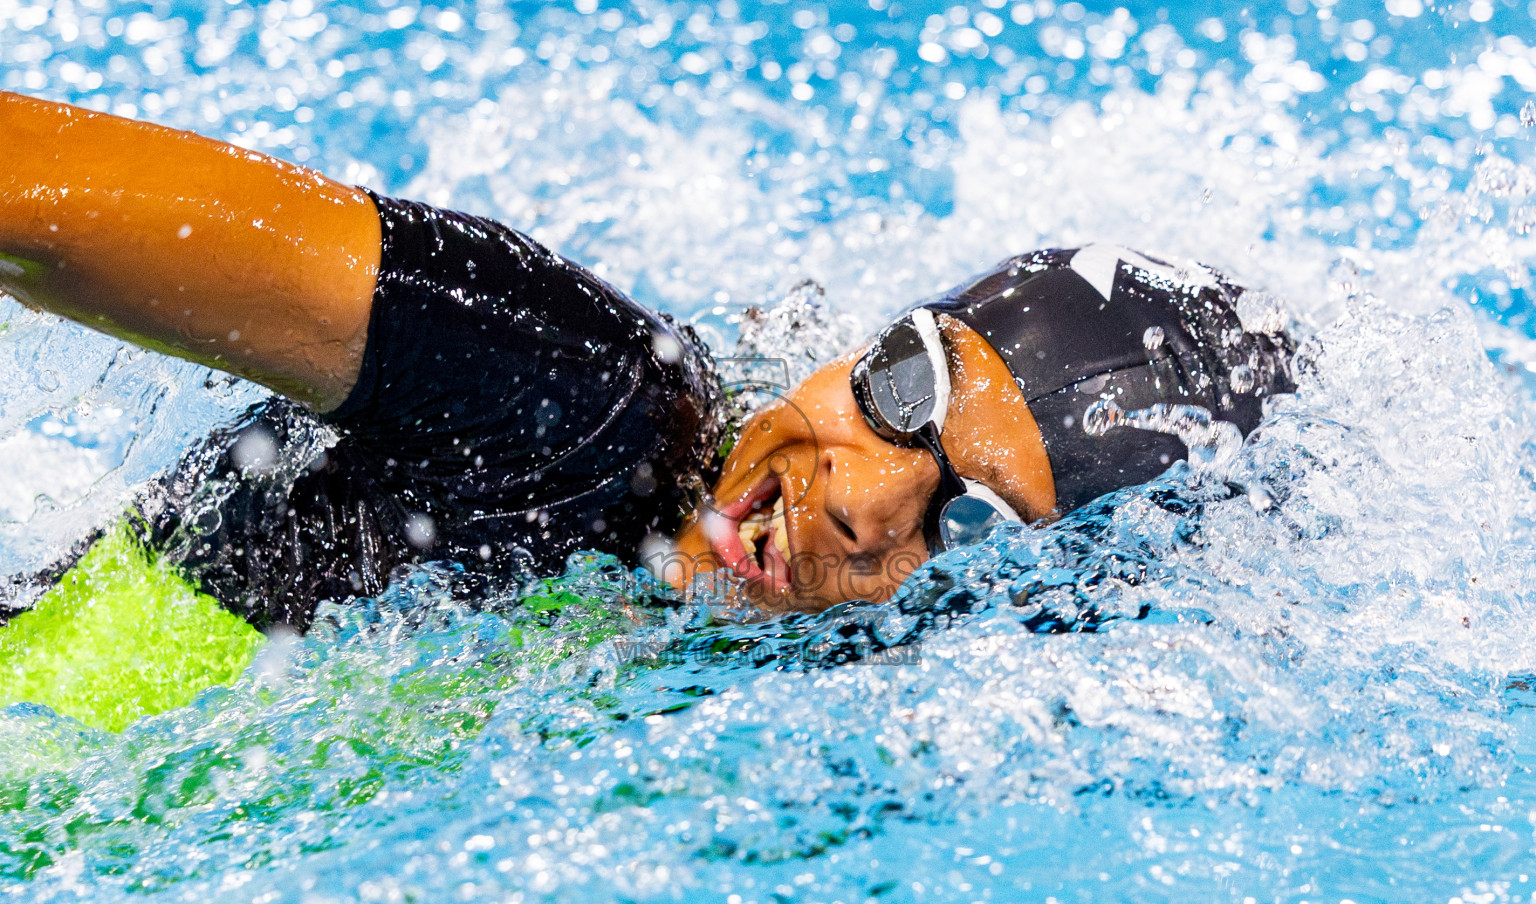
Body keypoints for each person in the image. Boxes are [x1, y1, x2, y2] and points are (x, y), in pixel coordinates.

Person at [0, 92, 1294, 629]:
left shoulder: (845, 686)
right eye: (906, 391)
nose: (863, 501)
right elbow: (36, 197)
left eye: (978, 522)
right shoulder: (570, 396)